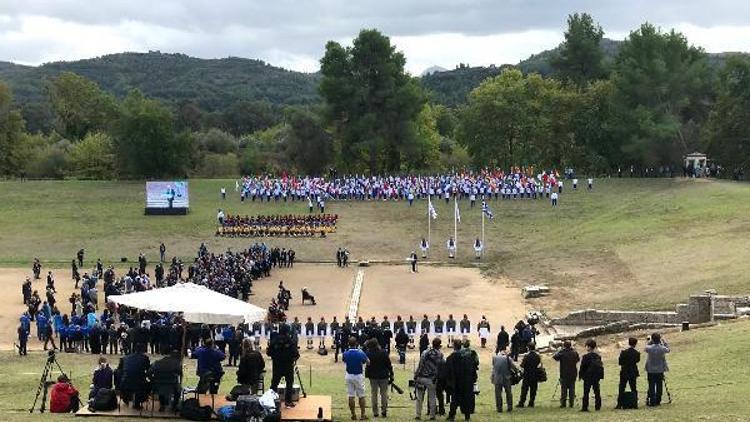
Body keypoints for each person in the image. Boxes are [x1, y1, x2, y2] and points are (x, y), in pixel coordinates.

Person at [267, 324, 299, 408]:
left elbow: (268, 352)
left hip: (277, 366)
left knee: (274, 384)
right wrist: (293, 359)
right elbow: (296, 354)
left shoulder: (274, 340)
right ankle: (288, 401)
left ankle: (271, 400)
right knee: (289, 384)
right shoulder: (289, 341)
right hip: (288, 366)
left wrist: (275, 356)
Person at [445, 340, 478, 421]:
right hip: (467, 381)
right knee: (466, 399)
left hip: (456, 382)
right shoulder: (469, 356)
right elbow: (473, 368)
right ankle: (467, 416)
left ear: (454, 346)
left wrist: (449, 382)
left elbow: (448, 371)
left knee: (455, 399)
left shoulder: (451, 357)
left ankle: (452, 415)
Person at [414, 337, 444, 420]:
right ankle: (432, 415)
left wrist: (416, 375)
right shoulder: (440, 355)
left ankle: (418, 415)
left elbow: (420, 365)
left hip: (421, 377)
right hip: (432, 379)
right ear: (439, 345)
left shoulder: (425, 352)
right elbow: (441, 366)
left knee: (419, 398)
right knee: (432, 397)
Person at [342, 337, 369, 420]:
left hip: (349, 375)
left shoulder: (345, 353)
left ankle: (353, 414)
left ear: (348, 344)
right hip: (358, 375)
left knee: (351, 395)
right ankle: (362, 414)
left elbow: (344, 360)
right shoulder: (360, 353)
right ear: (356, 343)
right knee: (361, 395)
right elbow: (367, 361)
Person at [117, 344, 151, 409]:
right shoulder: (145, 358)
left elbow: (119, 370)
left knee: (130, 381)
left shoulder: (125, 358)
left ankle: (126, 398)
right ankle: (138, 402)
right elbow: (148, 370)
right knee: (146, 385)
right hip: (139, 383)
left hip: (125, 382)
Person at [365, 338, 392, 418]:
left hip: (373, 376)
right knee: (384, 394)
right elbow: (388, 364)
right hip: (384, 376)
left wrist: (367, 374)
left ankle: (375, 412)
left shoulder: (368, 353)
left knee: (374, 394)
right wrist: (391, 374)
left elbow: (368, 366)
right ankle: (384, 411)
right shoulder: (384, 352)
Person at [552, 340, 580, 408]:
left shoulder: (562, 353)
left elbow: (555, 357)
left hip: (564, 373)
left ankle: (563, 403)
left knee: (564, 389)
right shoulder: (574, 352)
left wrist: (559, 350)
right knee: (572, 388)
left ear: (564, 346)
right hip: (573, 373)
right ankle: (571, 403)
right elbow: (578, 359)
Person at [645, 333, 670, 407]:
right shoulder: (662, 348)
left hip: (651, 369)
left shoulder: (649, 348)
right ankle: (658, 400)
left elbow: (646, 347)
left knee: (651, 385)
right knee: (659, 385)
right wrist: (664, 342)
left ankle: (652, 400)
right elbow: (668, 350)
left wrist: (650, 341)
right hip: (660, 369)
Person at [579, 339, 604, 412]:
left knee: (586, 392)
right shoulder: (598, 356)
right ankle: (598, 406)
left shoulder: (585, 356)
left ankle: (585, 407)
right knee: (597, 391)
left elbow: (582, 367)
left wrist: (581, 376)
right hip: (596, 376)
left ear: (589, 347)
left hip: (588, 376)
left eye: (586, 346)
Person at [617, 337, 641, 409]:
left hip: (624, 371)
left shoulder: (624, 352)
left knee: (622, 387)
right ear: (635, 344)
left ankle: (619, 404)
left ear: (629, 343)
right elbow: (637, 361)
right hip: (633, 371)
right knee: (633, 387)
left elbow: (620, 362)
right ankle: (635, 403)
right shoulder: (637, 353)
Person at [491, 345, 516, 413]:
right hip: (506, 377)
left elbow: (494, 366)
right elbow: (514, 367)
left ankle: (499, 408)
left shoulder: (494, 357)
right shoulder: (508, 358)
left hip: (497, 378)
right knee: (508, 393)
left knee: (498, 394)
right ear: (505, 350)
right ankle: (509, 407)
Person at [517, 342, 541, 408]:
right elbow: (539, 365)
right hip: (535, 375)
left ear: (528, 348)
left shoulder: (526, 356)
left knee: (524, 390)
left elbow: (522, 365)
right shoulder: (537, 356)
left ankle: (522, 402)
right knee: (533, 390)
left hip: (527, 375)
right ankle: (531, 402)